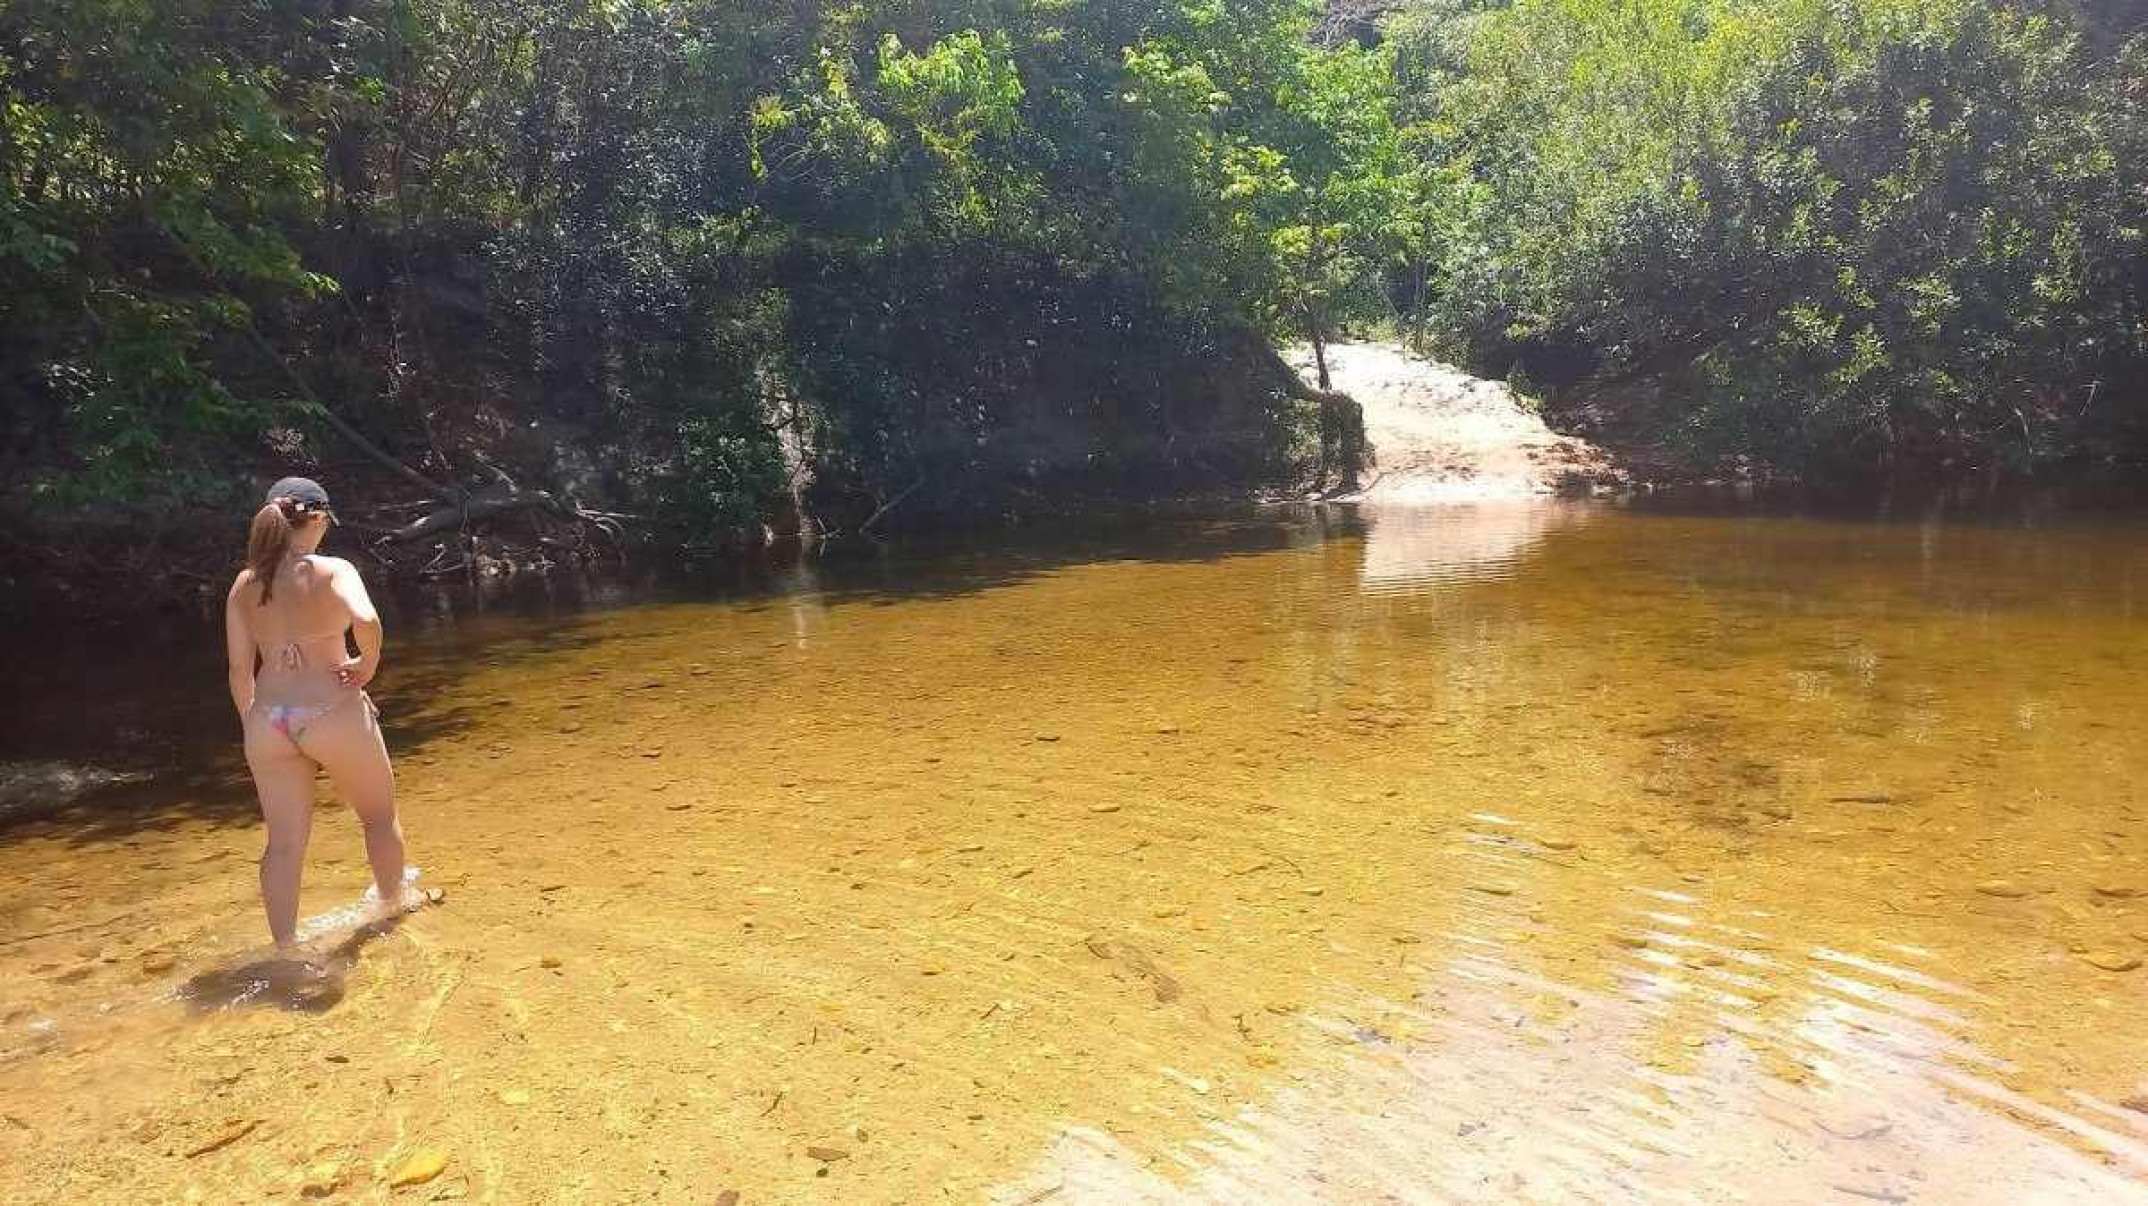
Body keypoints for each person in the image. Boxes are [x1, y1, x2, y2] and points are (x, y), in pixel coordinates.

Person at [224, 477, 417, 951]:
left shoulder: (246, 584)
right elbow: (367, 621)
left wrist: (254, 721)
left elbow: (238, 669)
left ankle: (285, 948)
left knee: (284, 845)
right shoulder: (334, 570)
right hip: (331, 710)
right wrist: (366, 665)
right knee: (377, 816)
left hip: (269, 719)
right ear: (316, 517)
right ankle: (392, 907)